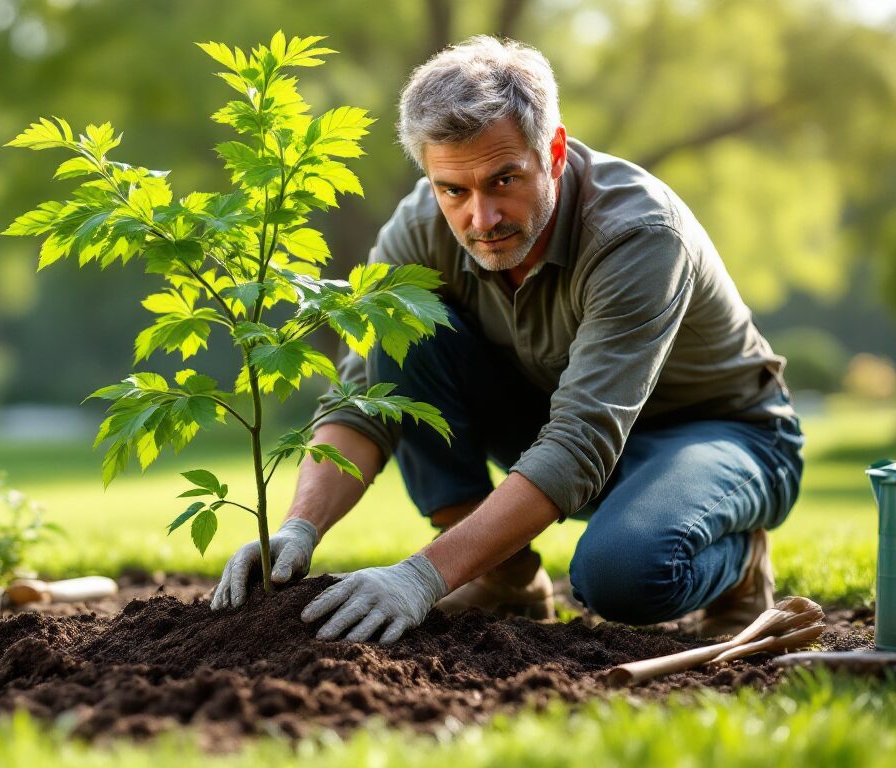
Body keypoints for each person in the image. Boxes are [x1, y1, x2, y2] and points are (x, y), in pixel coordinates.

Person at [209, 35, 805, 644]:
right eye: (454, 190)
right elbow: (366, 399)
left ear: (554, 149)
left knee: (623, 576)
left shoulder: (638, 234)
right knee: (401, 332)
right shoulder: (420, 226)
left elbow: (580, 441)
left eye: (504, 179)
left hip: (717, 434)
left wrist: (422, 576)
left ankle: (737, 563)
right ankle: (504, 576)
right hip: (559, 420)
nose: (481, 218)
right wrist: (299, 528)